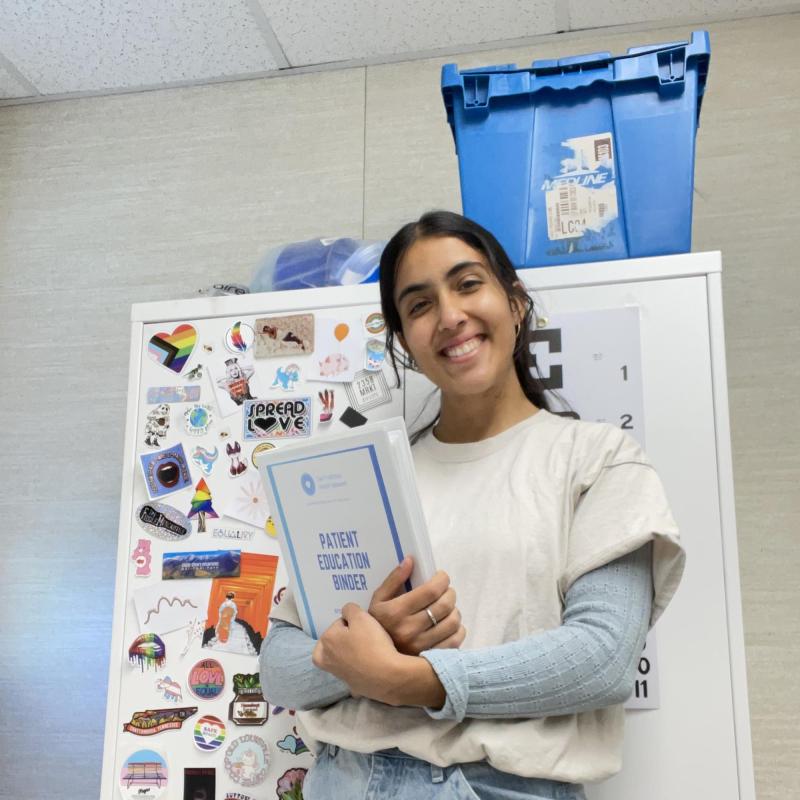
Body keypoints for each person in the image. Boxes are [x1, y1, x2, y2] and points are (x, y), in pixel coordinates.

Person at [260, 211, 685, 799]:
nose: (450, 317)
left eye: (467, 284)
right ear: (404, 340)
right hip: (347, 780)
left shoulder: (598, 460)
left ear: (514, 301)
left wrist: (415, 680)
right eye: (419, 305)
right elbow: (278, 667)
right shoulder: (369, 475)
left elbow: (601, 659)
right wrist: (365, 644)